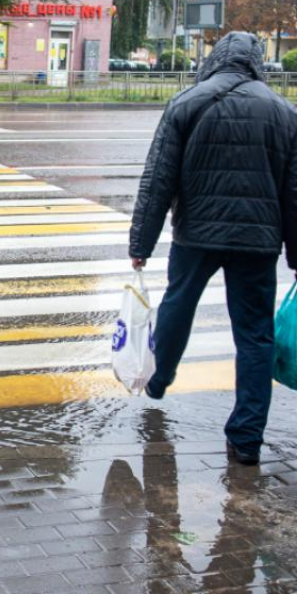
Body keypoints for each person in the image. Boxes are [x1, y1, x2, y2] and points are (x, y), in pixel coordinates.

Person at [129, 31, 297, 466]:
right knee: (255, 337)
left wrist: (140, 244)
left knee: (177, 305)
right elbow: (295, 193)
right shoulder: (284, 112)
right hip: (258, 243)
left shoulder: (187, 102)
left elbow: (157, 181)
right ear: (257, 62)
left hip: (196, 236)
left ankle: (160, 377)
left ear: (216, 58)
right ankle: (245, 439)